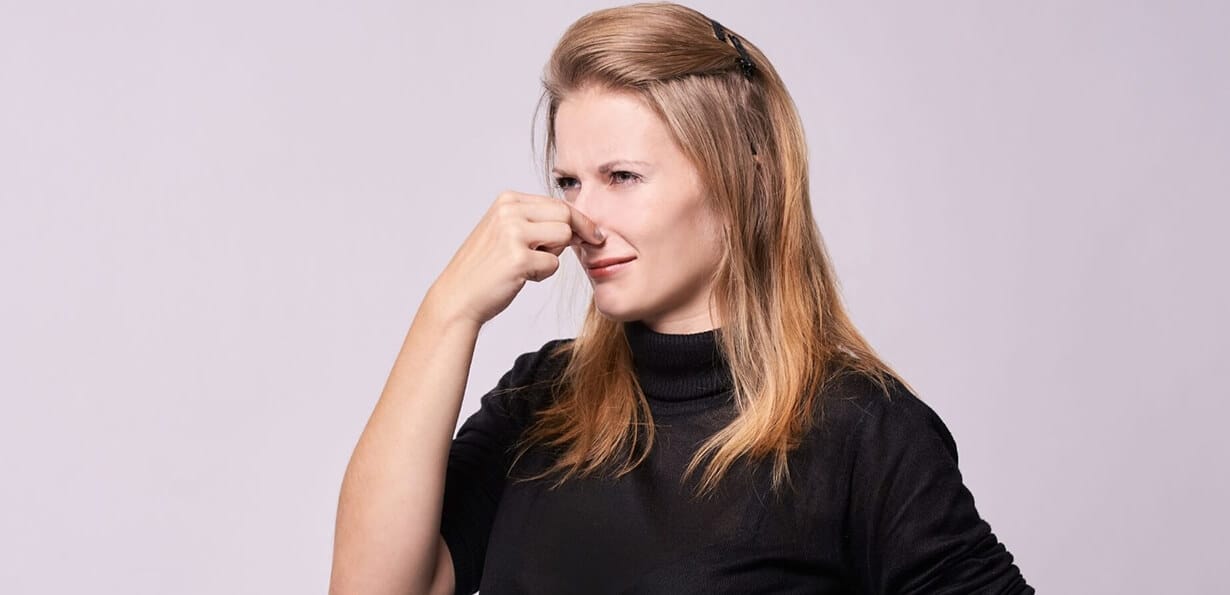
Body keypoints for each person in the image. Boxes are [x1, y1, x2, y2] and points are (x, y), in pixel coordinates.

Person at [329, 2, 1035, 594]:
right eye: (570, 181)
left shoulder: (862, 431)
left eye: (624, 176)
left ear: (743, 179)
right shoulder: (541, 398)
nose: (585, 220)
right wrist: (448, 310)